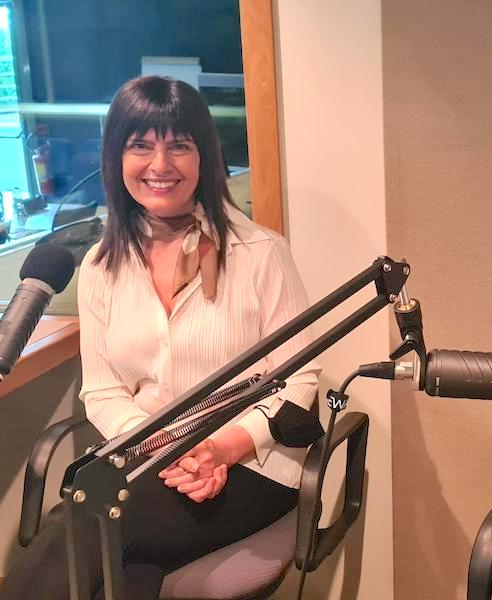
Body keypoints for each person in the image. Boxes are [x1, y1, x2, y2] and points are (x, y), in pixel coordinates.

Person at [0, 75, 321, 599]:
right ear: (116, 158)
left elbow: (300, 375)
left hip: (250, 465)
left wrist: (220, 447)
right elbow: (102, 392)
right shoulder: (102, 267)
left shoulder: (262, 253)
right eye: (141, 145)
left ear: (205, 158)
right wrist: (167, 445)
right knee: (129, 567)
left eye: (179, 146)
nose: (159, 164)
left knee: (91, 522)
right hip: (148, 460)